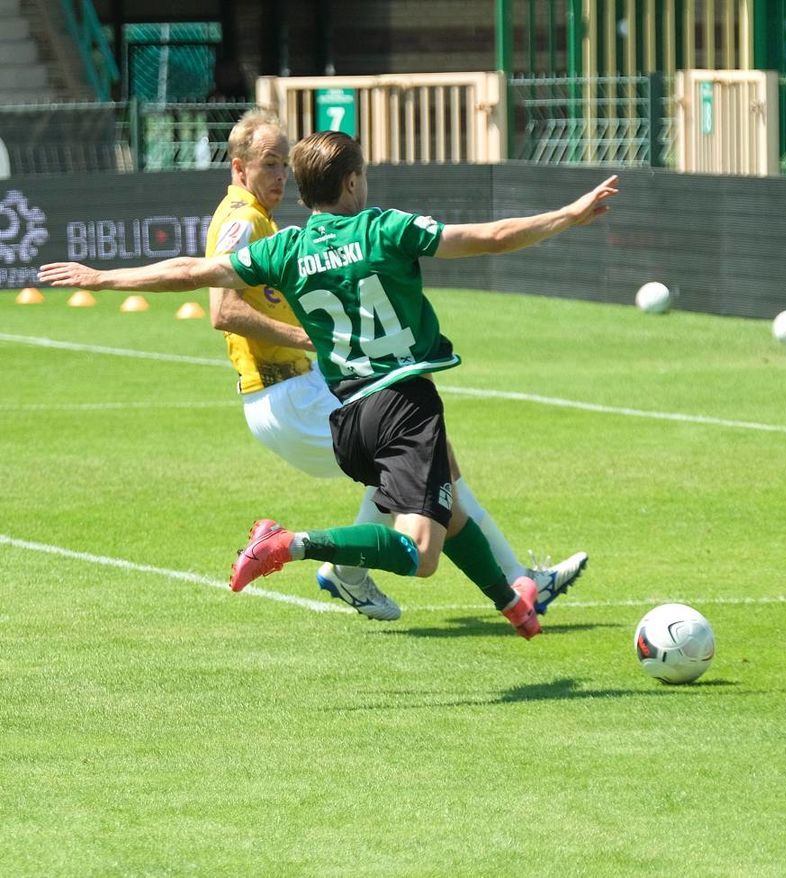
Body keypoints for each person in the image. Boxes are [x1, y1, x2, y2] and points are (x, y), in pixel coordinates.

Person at [40, 132, 620, 639]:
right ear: (349, 184)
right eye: (362, 175)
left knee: (448, 505)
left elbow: (192, 270)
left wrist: (103, 277)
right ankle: (291, 545)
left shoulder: (287, 248)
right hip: (402, 402)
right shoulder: (384, 229)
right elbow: (491, 237)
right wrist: (569, 214)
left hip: (348, 419)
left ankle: (514, 602)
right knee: (421, 555)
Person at [202, 109, 587, 622]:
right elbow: (222, 311)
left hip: (297, 389)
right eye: (268, 164)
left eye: (283, 167)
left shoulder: (266, 221)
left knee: (433, 463)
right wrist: (312, 337)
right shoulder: (242, 219)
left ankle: (512, 589)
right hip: (286, 394)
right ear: (238, 168)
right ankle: (350, 567)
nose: (278, 177)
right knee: (418, 466)